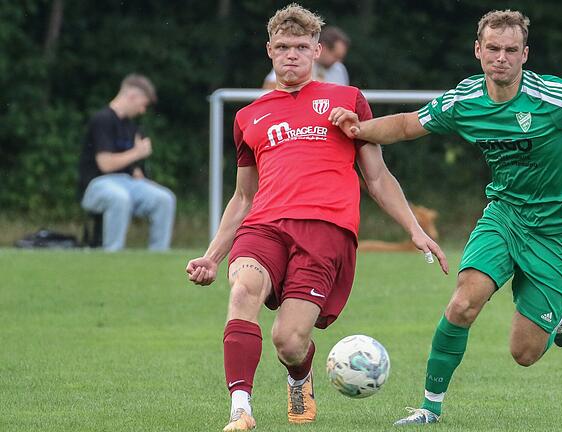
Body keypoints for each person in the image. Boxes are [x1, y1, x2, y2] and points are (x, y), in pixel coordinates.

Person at [329, 9, 562, 425]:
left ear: (525, 54)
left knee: (523, 353)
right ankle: (429, 409)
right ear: (478, 51)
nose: (501, 57)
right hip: (505, 217)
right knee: (462, 304)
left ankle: (558, 316)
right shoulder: (465, 101)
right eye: (493, 48)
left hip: (561, 231)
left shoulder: (554, 98)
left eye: (511, 49)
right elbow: (404, 126)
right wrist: (359, 129)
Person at [185, 4, 447, 431]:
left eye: (301, 47)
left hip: (325, 231)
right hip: (264, 226)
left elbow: (378, 178)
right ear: (269, 50)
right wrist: (213, 256)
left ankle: (299, 374)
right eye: (283, 47)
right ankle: (241, 410)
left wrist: (414, 230)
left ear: (317, 51)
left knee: (288, 341)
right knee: (242, 292)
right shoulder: (248, 117)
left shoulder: (347, 101)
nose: (292, 55)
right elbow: (243, 196)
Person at [77, 73, 176, 252]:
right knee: (119, 198)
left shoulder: (131, 126)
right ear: (132, 96)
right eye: (143, 104)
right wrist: (137, 152)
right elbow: (105, 164)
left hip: (127, 182)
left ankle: (158, 255)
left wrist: (143, 178)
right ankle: (112, 253)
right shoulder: (102, 120)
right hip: (97, 184)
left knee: (164, 198)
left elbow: (133, 170)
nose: (142, 110)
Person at [262, 25, 350, 89]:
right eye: (336, 56)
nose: (338, 61)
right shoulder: (297, 61)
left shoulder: (339, 69)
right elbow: (269, 87)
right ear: (323, 48)